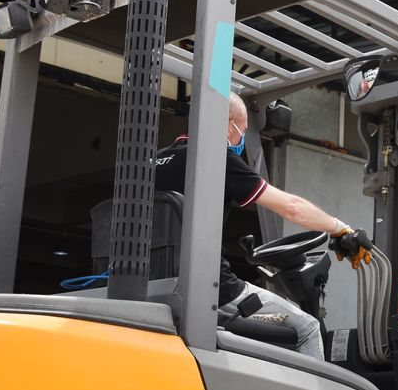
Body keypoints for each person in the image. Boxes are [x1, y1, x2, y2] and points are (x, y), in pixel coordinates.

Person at [153, 94, 372, 360]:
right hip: (212, 291)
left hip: (155, 287)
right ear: (227, 123)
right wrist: (339, 228)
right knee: (308, 327)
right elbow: (291, 207)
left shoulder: (155, 162)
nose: (239, 142)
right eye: (241, 132)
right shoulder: (213, 156)